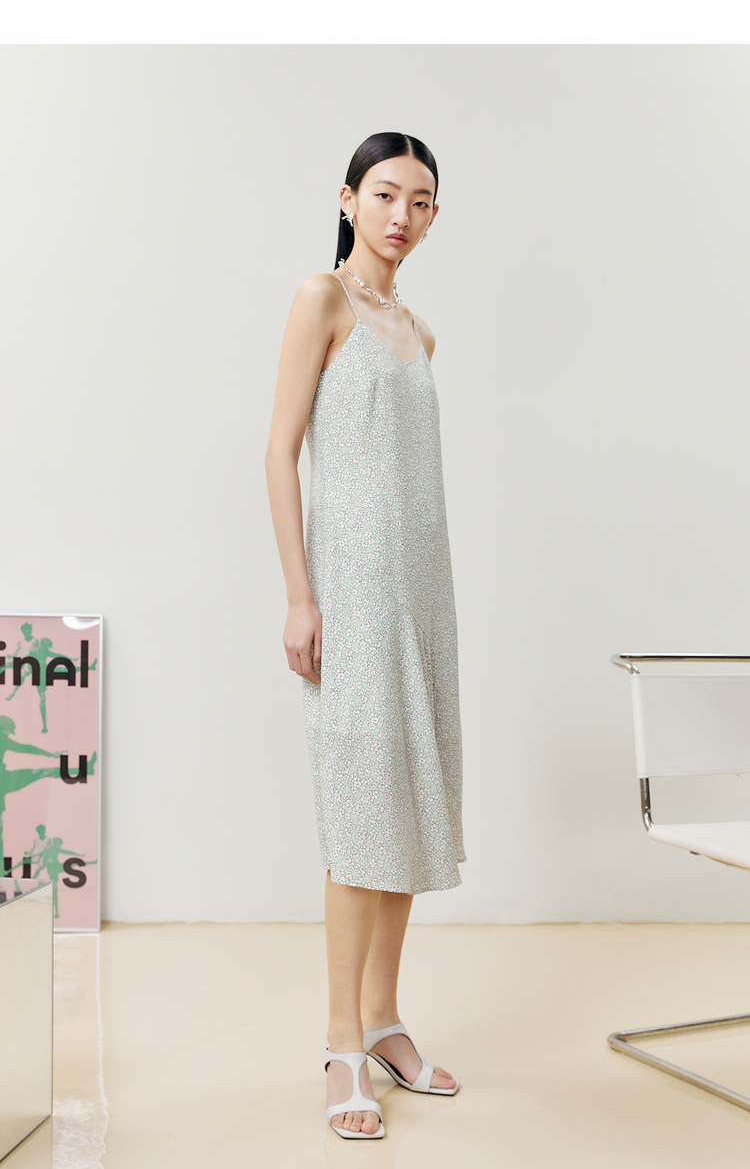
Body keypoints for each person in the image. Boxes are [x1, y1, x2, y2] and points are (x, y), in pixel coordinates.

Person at [265, 132, 465, 1140]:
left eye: (420, 201)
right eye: (386, 194)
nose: (401, 216)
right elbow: (279, 450)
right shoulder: (323, 299)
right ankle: (343, 1042)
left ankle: (386, 1019)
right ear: (348, 200)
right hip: (347, 592)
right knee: (358, 815)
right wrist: (300, 597)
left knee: (410, 808)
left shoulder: (419, 332)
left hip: (421, 596)